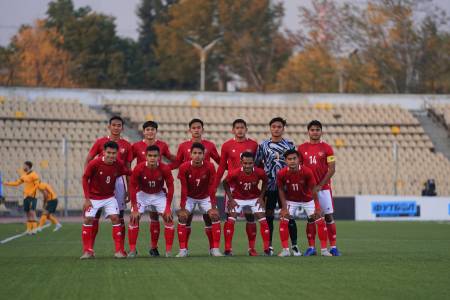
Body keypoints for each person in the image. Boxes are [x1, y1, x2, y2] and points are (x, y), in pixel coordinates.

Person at [85, 115, 132, 251]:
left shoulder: (127, 145)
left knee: (119, 216)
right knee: (95, 215)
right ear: (109, 126)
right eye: (114, 125)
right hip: (98, 181)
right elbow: (88, 159)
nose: (116, 128)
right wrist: (88, 178)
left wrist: (129, 190)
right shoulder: (100, 142)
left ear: (122, 127)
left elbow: (128, 169)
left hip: (117, 182)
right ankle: (89, 248)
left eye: (119, 125)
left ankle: (120, 249)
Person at [171, 118, 221, 248]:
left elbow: (220, 161)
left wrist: (234, 167)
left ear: (202, 129)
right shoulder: (183, 146)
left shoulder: (210, 145)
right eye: (194, 128)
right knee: (186, 218)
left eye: (199, 127)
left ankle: (213, 248)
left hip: (205, 187)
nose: (196, 130)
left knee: (209, 218)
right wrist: (164, 168)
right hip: (189, 188)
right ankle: (184, 248)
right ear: (190, 130)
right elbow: (177, 162)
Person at [131, 120, 176, 256]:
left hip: (157, 189)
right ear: (144, 131)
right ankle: (132, 250)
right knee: (134, 217)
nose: (150, 132)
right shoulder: (136, 148)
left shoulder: (162, 146)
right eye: (147, 129)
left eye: (152, 129)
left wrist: (167, 169)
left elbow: (173, 160)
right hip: (141, 189)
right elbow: (127, 163)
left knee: (165, 218)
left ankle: (164, 250)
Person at [215, 119, 259, 255]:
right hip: (233, 187)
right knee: (230, 217)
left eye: (242, 127)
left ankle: (251, 248)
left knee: (250, 216)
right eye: (237, 128)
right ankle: (228, 248)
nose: (240, 130)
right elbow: (222, 166)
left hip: (249, 186)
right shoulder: (227, 145)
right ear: (233, 130)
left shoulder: (253, 145)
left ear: (246, 129)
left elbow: (257, 165)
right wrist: (215, 183)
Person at [81, 141, 131, 259]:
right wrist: (87, 199)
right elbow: (85, 179)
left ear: (117, 153)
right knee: (88, 219)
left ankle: (118, 251)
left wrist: (142, 169)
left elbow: (128, 172)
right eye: (108, 152)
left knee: (115, 218)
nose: (111, 155)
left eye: (114, 153)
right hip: (94, 197)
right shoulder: (94, 163)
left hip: (109, 197)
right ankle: (87, 251)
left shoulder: (118, 163)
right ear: (103, 152)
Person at [277, 149, 332, 257]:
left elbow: (313, 189)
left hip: (308, 200)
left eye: (294, 158)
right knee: (284, 220)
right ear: (285, 161)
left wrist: (317, 206)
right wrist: (284, 207)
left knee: (320, 221)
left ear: (299, 160)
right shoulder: (281, 173)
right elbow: (281, 190)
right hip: (291, 200)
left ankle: (324, 250)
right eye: (289, 159)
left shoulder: (307, 171)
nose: (292, 161)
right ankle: (285, 250)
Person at [298, 120, 340, 256]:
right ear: (308, 132)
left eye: (317, 130)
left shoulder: (327, 148)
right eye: (312, 130)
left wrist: (320, 185)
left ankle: (333, 247)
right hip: (308, 190)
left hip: (324, 188)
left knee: (328, 216)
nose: (315, 132)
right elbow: (299, 168)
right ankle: (311, 248)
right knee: (311, 218)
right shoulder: (301, 148)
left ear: (321, 132)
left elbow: (332, 169)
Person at [255, 117, 295, 255]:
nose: (276, 129)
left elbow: (295, 163)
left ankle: (291, 247)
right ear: (270, 128)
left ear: (283, 128)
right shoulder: (263, 145)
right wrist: (266, 174)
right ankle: (269, 246)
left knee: (287, 215)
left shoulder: (290, 145)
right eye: (274, 126)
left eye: (279, 126)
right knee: (269, 215)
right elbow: (257, 164)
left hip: (286, 186)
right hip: (270, 186)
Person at [176, 143, 222, 257]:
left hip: (205, 197)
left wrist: (213, 205)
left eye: (200, 153)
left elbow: (212, 187)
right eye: (195, 153)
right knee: (183, 217)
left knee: (214, 216)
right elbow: (184, 189)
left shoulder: (210, 166)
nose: (197, 156)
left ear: (204, 154)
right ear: (190, 154)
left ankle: (214, 249)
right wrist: (182, 207)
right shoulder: (184, 167)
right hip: (189, 197)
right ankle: (183, 250)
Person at [222, 152, 271, 256]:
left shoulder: (260, 172)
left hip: (254, 198)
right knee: (230, 220)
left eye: (250, 163)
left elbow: (266, 182)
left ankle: (263, 249)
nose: (247, 166)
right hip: (238, 198)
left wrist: (261, 197)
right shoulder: (235, 173)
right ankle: (228, 249)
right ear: (241, 162)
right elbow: (225, 183)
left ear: (254, 163)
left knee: (263, 220)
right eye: (245, 163)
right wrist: (231, 199)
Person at [4, 161, 40, 234]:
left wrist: (31, 192)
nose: (23, 167)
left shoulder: (34, 175)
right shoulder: (24, 175)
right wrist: (7, 183)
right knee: (27, 213)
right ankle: (29, 229)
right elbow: (17, 183)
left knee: (32, 212)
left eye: (24, 166)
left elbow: (37, 185)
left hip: (33, 197)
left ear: (28, 166)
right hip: (26, 197)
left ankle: (35, 229)